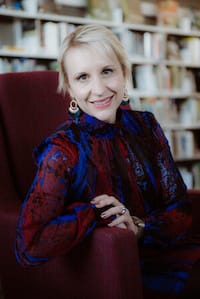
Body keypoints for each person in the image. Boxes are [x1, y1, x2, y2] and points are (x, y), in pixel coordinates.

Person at [15, 24, 200, 297]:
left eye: (107, 71)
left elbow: (181, 211)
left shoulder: (146, 126)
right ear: (70, 89)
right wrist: (95, 213)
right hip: (116, 272)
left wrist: (138, 228)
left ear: (124, 72)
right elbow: (29, 246)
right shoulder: (63, 150)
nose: (98, 89)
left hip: (168, 249)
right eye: (82, 77)